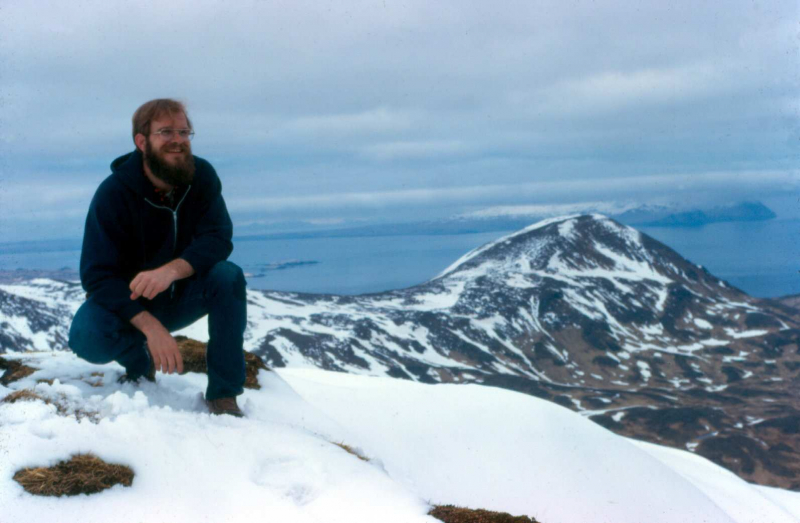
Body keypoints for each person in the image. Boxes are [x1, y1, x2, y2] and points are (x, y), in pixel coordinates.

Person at [68, 99, 247, 417]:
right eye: (166, 132)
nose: (178, 140)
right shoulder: (113, 194)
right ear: (141, 141)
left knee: (227, 276)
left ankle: (223, 395)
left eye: (184, 131)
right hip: (133, 305)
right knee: (86, 335)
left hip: (184, 294)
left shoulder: (202, 177)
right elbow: (97, 275)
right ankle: (140, 362)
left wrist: (173, 270)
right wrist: (150, 327)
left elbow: (218, 238)